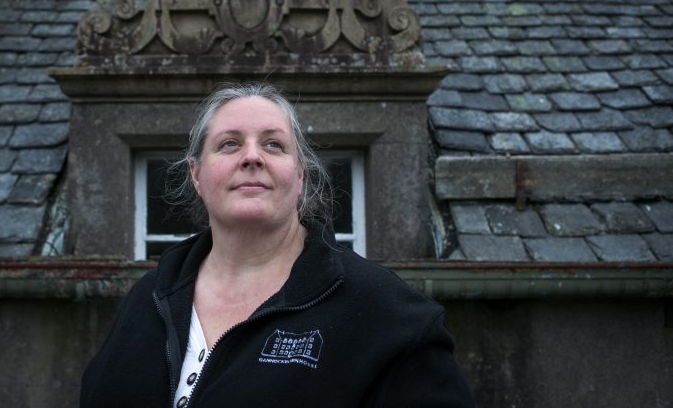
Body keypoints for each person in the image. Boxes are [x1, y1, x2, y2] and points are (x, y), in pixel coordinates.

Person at [80, 83, 475, 407]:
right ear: (197, 175)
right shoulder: (148, 300)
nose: (252, 156)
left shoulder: (387, 313)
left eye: (273, 145)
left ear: (300, 175)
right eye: (229, 144)